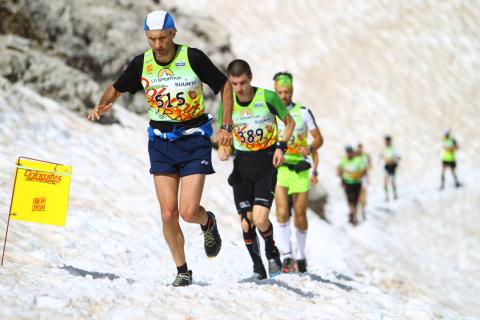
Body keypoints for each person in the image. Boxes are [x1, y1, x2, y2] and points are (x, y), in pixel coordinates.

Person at [87, 10, 234, 287]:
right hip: (161, 143)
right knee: (168, 213)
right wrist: (103, 103)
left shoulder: (192, 58)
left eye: (162, 38)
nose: (158, 45)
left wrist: (226, 126)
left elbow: (224, 85)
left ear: (173, 34)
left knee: (188, 211)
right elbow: (116, 88)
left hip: (193, 140)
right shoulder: (142, 63)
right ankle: (182, 270)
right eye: (152, 39)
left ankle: (208, 222)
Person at [217, 60, 295, 279]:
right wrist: (223, 148)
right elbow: (224, 133)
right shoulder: (227, 103)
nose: (239, 88)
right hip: (242, 165)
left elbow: (289, 123)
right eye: (234, 84)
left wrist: (281, 146)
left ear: (250, 77)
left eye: (242, 82)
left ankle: (271, 249)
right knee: (245, 222)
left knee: (260, 219)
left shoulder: (268, 97)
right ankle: (257, 266)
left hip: (266, 162)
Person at [272, 72, 323, 273]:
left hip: (300, 168)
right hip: (280, 168)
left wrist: (310, 148)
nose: (283, 96)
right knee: (282, 211)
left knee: (300, 214)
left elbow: (319, 138)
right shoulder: (271, 112)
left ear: (292, 91)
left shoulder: (303, 112)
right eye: (280, 92)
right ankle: (286, 255)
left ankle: (300, 255)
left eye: (287, 92)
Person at [337, 146, 366, 226]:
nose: (349, 154)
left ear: (353, 152)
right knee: (350, 199)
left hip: (357, 183)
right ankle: (354, 217)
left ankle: (353, 214)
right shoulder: (344, 160)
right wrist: (341, 179)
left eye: (350, 152)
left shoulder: (358, 160)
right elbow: (340, 169)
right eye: (347, 152)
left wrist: (358, 175)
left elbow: (364, 170)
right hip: (347, 183)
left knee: (356, 201)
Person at [382, 135, 400, 201]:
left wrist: (393, 160)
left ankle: (395, 194)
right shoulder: (384, 149)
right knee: (385, 181)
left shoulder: (393, 149)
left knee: (392, 181)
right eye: (386, 141)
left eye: (388, 141)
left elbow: (398, 157)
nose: (387, 142)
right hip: (387, 166)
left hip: (392, 166)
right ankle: (386, 196)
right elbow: (382, 156)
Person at [356, 143, 371, 219]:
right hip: (356, 178)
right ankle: (359, 210)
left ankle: (363, 210)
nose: (359, 149)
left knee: (363, 194)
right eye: (358, 147)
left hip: (363, 177)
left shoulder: (365, 156)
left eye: (360, 147)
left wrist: (367, 177)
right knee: (358, 195)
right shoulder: (355, 156)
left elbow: (368, 167)